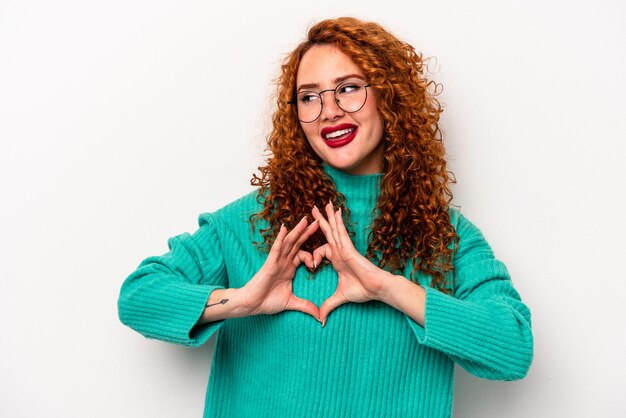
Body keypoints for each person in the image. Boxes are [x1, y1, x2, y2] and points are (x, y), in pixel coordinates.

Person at [118, 16, 533, 418]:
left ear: (390, 97)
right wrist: (242, 302)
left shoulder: (445, 235)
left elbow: (512, 346)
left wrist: (388, 288)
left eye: (348, 89)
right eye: (309, 96)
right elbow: (139, 296)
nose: (329, 111)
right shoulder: (256, 220)